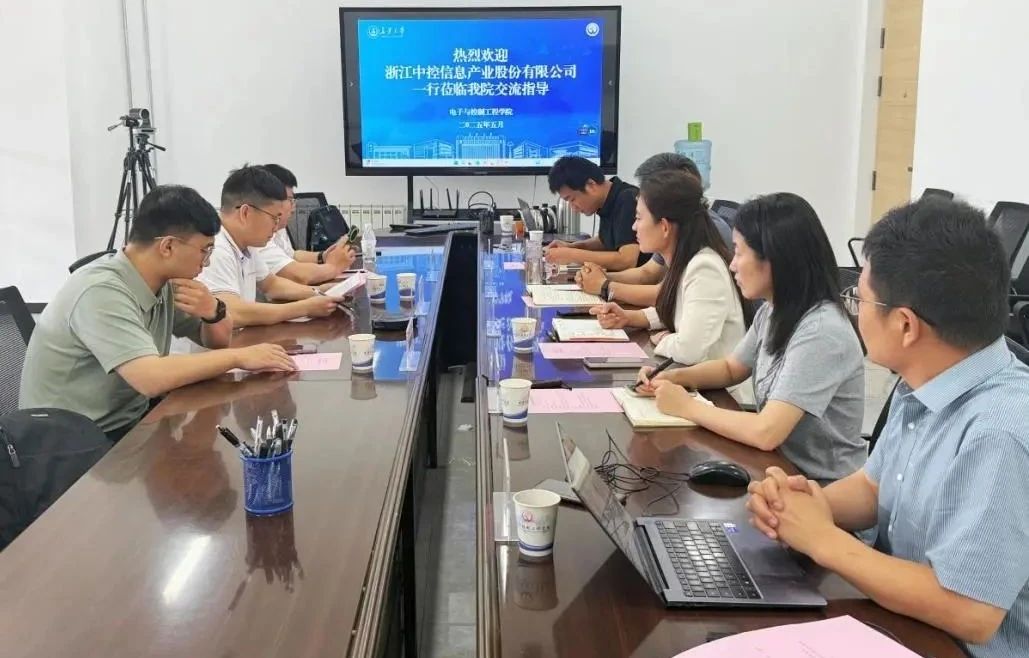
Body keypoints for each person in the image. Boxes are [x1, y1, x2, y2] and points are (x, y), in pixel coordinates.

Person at [746, 199, 1029, 658]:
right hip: (902, 622)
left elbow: (970, 611)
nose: (854, 309)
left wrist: (822, 540)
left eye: (860, 298)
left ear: (905, 326)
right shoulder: (925, 378)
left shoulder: (1001, 432)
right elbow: (876, 487)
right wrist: (799, 508)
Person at [19, 185, 296, 440]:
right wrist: (240, 357)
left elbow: (216, 341)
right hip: (71, 443)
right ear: (168, 246)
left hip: (131, 421)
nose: (207, 262)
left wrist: (214, 311)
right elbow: (151, 378)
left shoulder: (163, 282)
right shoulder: (100, 291)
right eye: (205, 250)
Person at [636, 192, 866, 482]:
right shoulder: (774, 309)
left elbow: (766, 432)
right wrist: (671, 378)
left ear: (774, 259)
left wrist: (687, 407)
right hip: (777, 469)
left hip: (821, 487)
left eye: (739, 252)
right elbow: (731, 368)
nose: (732, 264)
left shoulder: (821, 331)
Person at [588, 170, 747, 366]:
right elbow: (679, 308)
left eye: (639, 218)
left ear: (664, 226)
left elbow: (688, 350)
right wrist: (630, 317)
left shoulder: (705, 268)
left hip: (713, 383)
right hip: (691, 374)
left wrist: (663, 339)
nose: (634, 227)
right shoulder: (685, 258)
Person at [577, 152, 734, 308]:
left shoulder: (705, 231)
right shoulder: (676, 227)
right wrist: (600, 277)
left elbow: (667, 296)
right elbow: (648, 273)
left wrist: (605, 286)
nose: (643, 198)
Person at [198, 165, 344, 326]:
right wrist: (305, 308)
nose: (276, 227)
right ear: (245, 213)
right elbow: (231, 311)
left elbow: (272, 284)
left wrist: (320, 292)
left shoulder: (246, 243)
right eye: (274, 218)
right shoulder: (216, 247)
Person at [256, 163, 356, 285]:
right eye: (290, 200)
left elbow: (292, 255)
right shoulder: (258, 238)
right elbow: (299, 276)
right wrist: (333, 267)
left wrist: (323, 256)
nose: (294, 207)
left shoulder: (277, 228)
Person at [543, 155, 642, 270]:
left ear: (590, 185)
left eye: (572, 199)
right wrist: (571, 247)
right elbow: (606, 240)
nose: (573, 208)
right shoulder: (608, 200)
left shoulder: (628, 199)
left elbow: (627, 260)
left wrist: (571, 255)